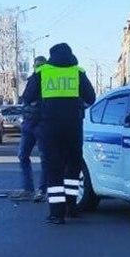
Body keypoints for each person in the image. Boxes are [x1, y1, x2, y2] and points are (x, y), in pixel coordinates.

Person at [21, 43, 96, 224]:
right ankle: (72, 207)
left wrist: (42, 105)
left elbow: (27, 97)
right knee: (73, 166)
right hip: (73, 127)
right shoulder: (78, 72)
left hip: (49, 128)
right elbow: (91, 98)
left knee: (53, 169)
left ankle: (57, 214)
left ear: (51, 55)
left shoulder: (42, 72)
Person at [12, 56, 48, 202]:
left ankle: (39, 190)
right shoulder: (38, 78)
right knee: (28, 155)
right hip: (34, 123)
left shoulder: (39, 77)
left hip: (37, 122)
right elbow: (26, 98)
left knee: (39, 157)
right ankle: (34, 189)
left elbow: (26, 97)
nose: (38, 67)